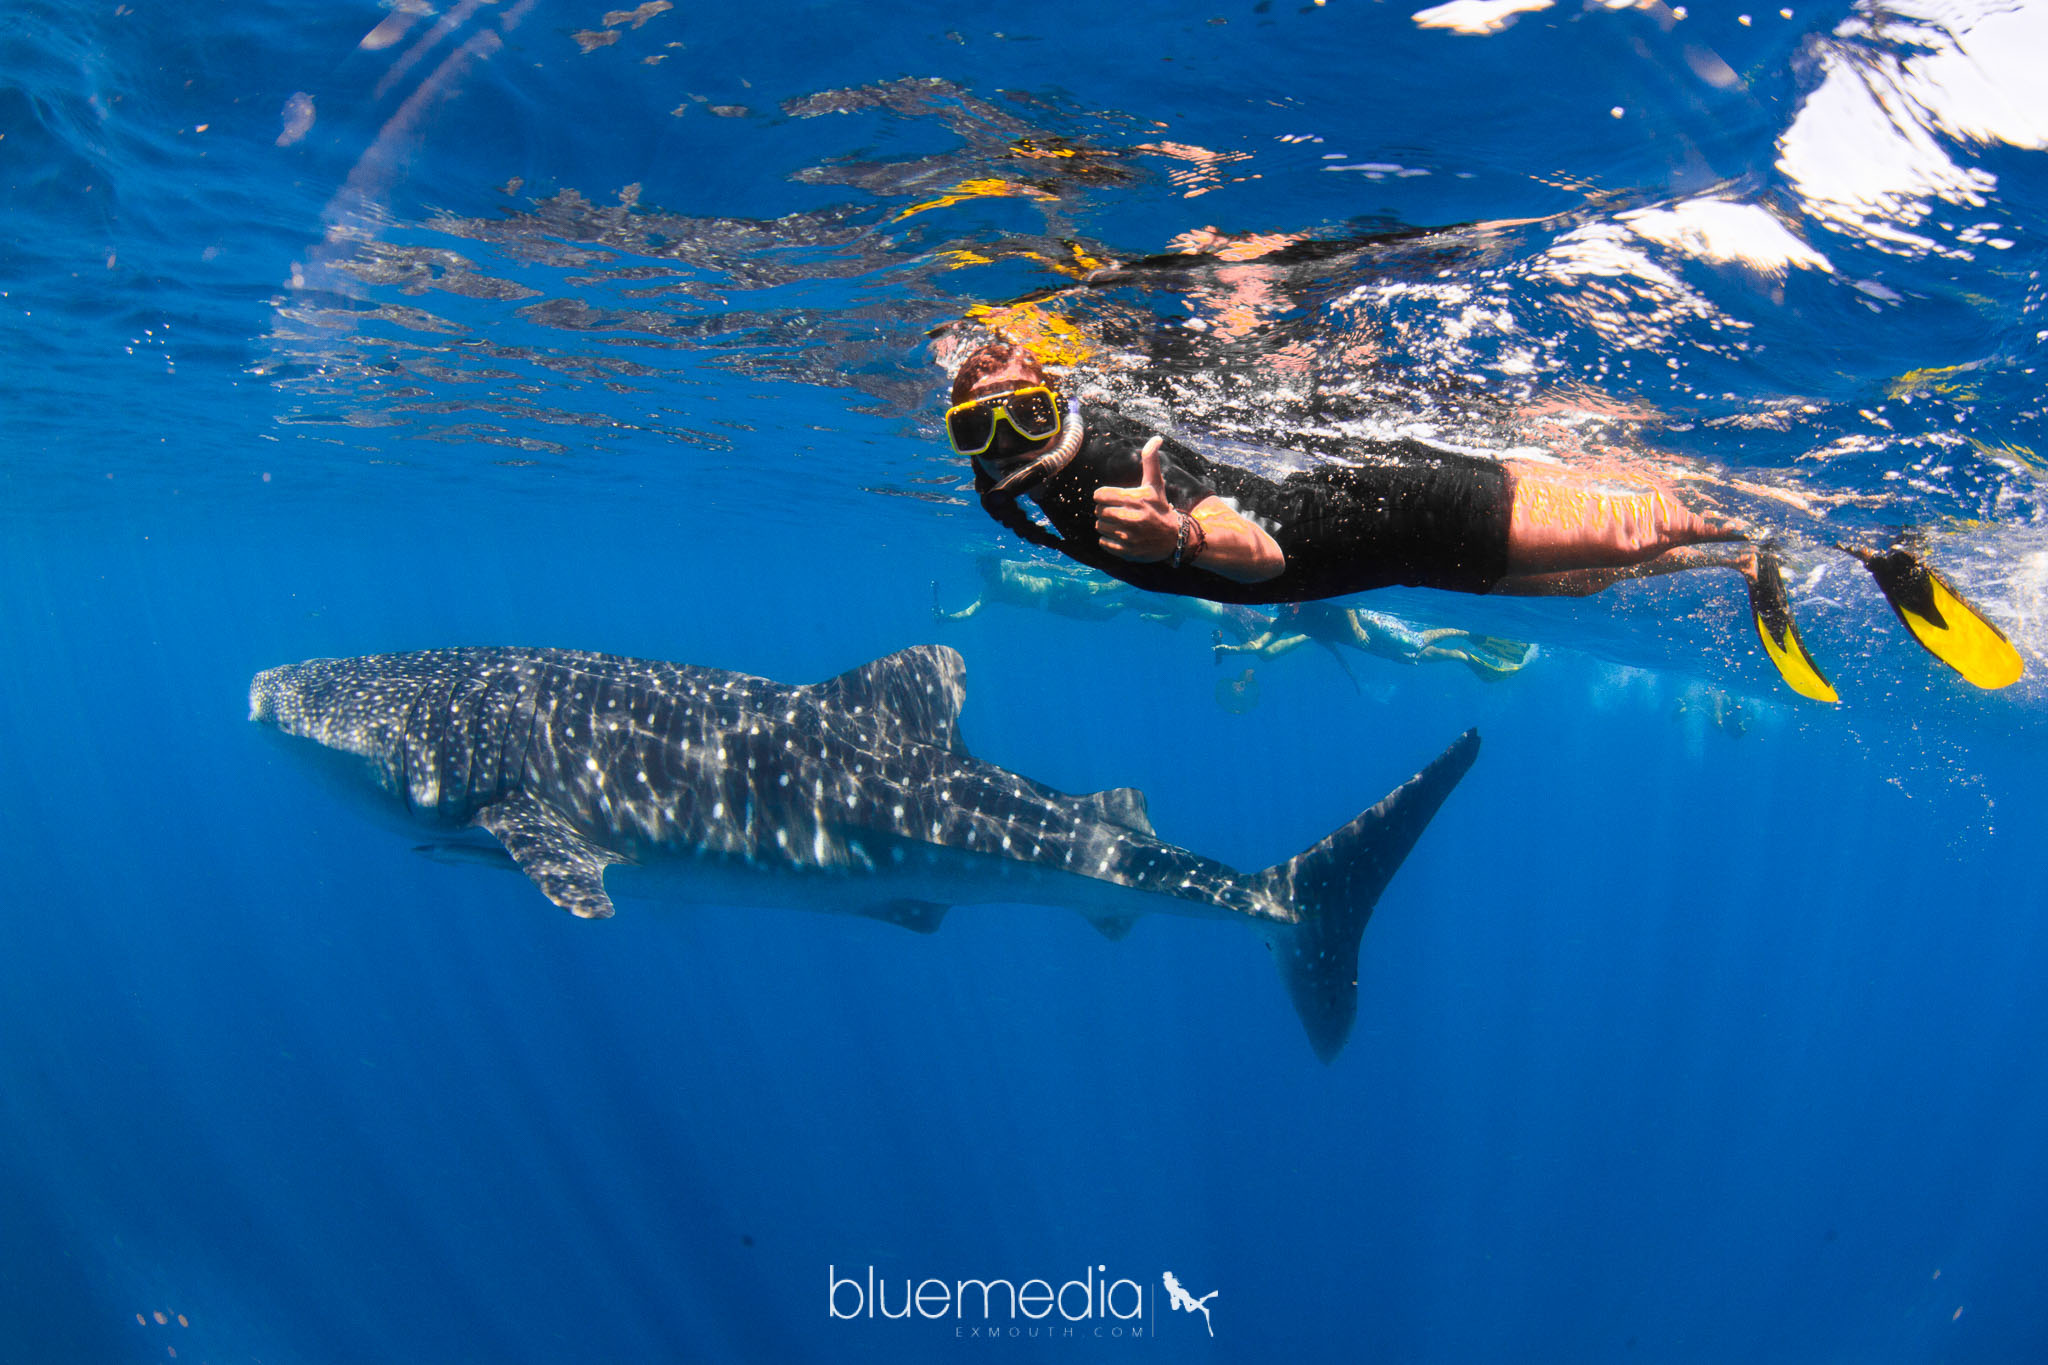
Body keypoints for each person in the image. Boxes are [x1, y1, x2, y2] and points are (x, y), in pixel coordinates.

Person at [940, 340, 2024, 701]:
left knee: (1653, 521)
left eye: (1033, 400)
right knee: (1625, 551)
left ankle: (1864, 542)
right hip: (1426, 537)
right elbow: (1249, 549)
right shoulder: (1082, 509)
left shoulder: (1071, 477)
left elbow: (1249, 540)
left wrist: (1183, 540)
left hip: (1423, 515)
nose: (1023, 427)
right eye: (990, 429)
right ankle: (1754, 553)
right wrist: (1178, 541)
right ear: (984, 462)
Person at [1215, 601, 1535, 685]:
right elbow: (1259, 646)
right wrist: (1233, 651)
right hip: (1364, 642)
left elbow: (1346, 601)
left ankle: (1464, 631)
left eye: (1287, 604)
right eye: (1283, 607)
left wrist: (1355, 627)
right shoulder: (1286, 619)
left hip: (1368, 624)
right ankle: (1463, 657)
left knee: (1412, 641)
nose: (1286, 608)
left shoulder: (1311, 600)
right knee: (1411, 657)